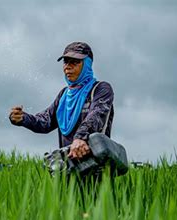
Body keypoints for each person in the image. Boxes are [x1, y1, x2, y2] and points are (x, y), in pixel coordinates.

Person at [9, 41, 114, 173]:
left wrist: (81, 138)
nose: (67, 67)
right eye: (66, 62)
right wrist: (23, 118)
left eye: (74, 62)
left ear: (87, 64)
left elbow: (96, 116)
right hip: (69, 166)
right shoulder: (64, 96)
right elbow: (45, 122)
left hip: (97, 166)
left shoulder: (100, 89)